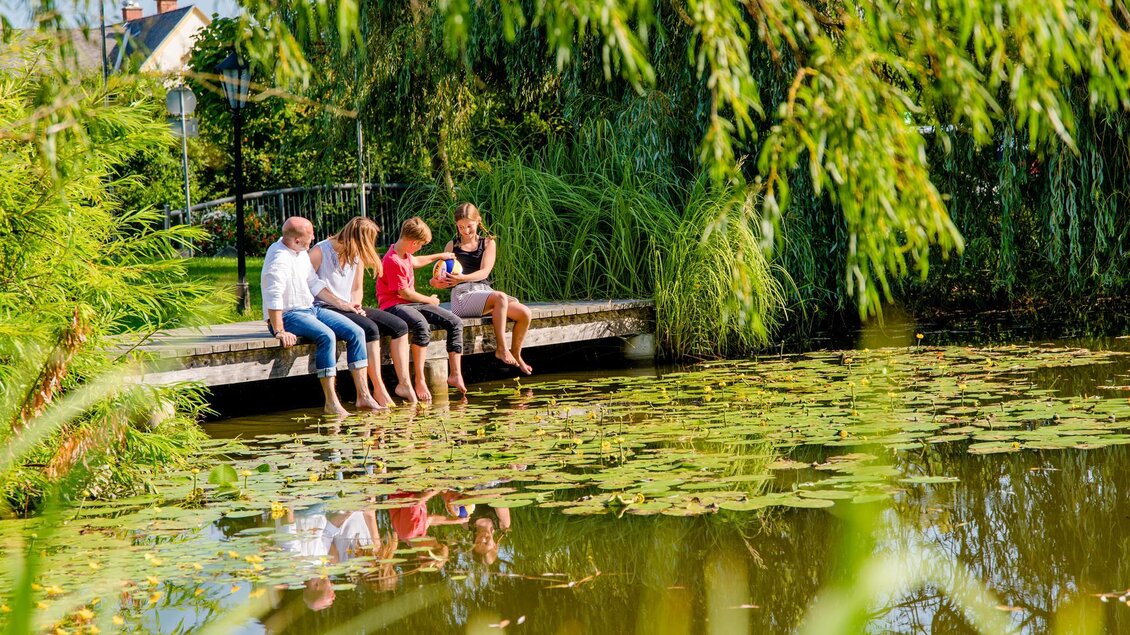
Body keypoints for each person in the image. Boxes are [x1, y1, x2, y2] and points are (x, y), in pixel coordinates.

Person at [261, 216, 381, 416]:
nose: (314, 238)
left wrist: (344, 304)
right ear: (296, 240)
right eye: (310, 235)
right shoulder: (278, 259)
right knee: (327, 336)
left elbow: (314, 283)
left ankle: (364, 395)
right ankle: (331, 402)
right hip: (289, 315)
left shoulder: (300, 253)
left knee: (357, 331)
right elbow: (273, 296)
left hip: (310, 309)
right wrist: (279, 330)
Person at [309, 217, 416, 407]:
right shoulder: (319, 252)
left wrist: (356, 305)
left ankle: (404, 383)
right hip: (325, 307)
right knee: (370, 329)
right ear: (358, 238)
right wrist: (343, 306)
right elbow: (307, 286)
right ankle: (378, 387)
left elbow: (357, 289)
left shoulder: (355, 254)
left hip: (349, 306)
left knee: (399, 326)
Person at [432, 203, 533, 375]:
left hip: (483, 292)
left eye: (469, 226)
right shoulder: (452, 245)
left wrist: (462, 277)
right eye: (461, 227)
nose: (465, 231)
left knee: (525, 313)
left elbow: (485, 271)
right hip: (462, 297)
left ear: (478, 222)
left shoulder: (488, 243)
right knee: (500, 297)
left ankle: (516, 352)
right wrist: (436, 282)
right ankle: (501, 348)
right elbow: (440, 273)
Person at [376, 217, 466, 401]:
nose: (420, 249)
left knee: (455, 322)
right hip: (393, 306)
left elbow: (415, 261)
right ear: (414, 242)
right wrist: (429, 300)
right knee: (421, 325)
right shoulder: (392, 260)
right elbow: (405, 293)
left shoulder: (403, 253)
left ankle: (455, 374)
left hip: (409, 303)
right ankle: (419, 379)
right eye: (421, 245)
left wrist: (440, 256)